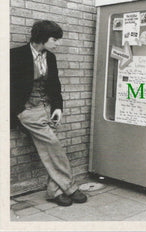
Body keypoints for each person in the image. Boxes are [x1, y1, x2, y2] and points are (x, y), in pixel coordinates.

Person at [10, 20, 87, 206]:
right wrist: (17, 110)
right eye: (54, 39)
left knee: (53, 147)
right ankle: (70, 186)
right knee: (53, 143)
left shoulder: (50, 57)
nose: (57, 43)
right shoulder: (15, 55)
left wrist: (58, 108)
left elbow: (55, 85)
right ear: (42, 38)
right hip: (27, 110)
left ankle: (55, 191)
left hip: (47, 109)